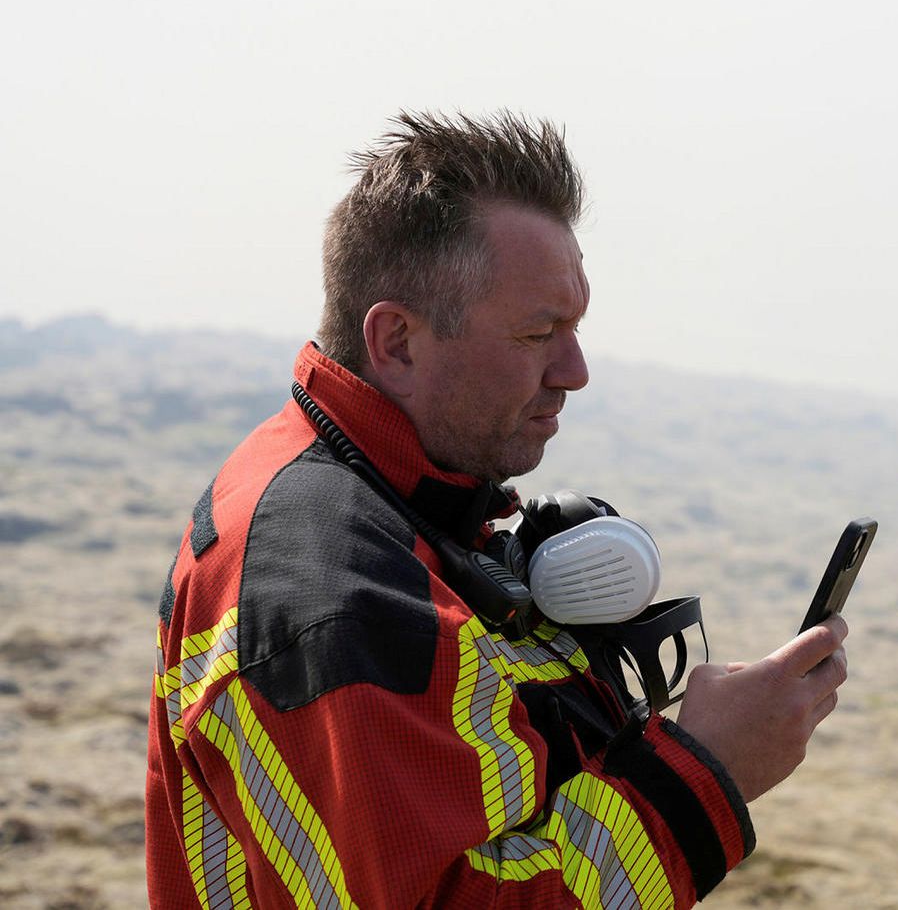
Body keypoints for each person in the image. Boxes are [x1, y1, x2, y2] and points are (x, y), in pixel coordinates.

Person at [145, 111, 849, 909]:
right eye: (538, 332)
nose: (575, 370)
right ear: (398, 342)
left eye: (574, 327)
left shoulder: (401, 506)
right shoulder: (330, 587)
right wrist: (703, 769)